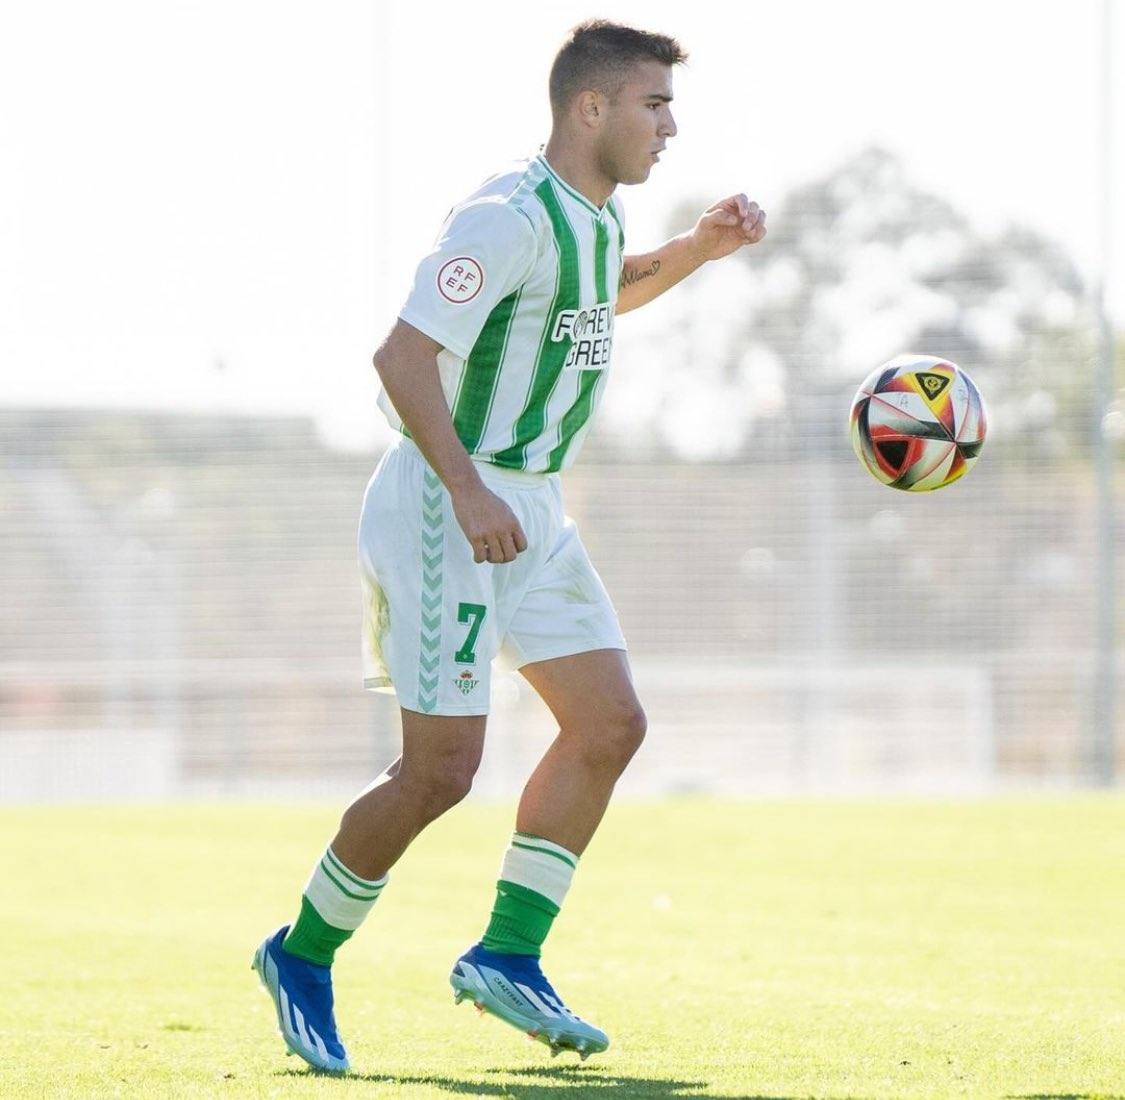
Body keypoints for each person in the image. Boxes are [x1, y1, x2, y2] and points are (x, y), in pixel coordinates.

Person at [252, 17, 766, 1073]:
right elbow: (401, 356)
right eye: (653, 104)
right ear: (592, 108)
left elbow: (602, 294)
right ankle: (300, 954)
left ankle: (508, 953)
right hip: (449, 503)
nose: (671, 127)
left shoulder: (590, 220)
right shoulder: (506, 213)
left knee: (610, 722)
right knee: (441, 769)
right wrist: (466, 485)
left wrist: (703, 250)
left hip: (528, 504)